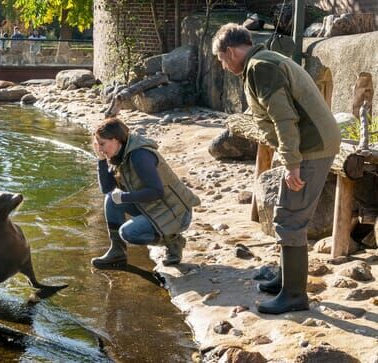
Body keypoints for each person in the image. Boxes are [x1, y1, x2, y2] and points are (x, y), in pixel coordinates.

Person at [212, 23, 341, 314]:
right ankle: (285, 279)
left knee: (290, 218)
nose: (222, 65)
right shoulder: (265, 61)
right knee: (285, 212)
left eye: (221, 59)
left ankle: (294, 296)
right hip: (312, 142)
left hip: (310, 147)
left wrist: (292, 165)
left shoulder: (261, 68)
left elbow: (284, 120)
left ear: (231, 51)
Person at [91, 118, 200, 268]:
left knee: (129, 233)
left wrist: (124, 197)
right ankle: (117, 252)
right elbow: (107, 189)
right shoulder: (119, 153)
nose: (100, 148)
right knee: (111, 199)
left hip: (175, 212)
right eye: (98, 145)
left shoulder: (139, 156)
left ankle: (173, 241)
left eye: (102, 144)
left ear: (115, 139)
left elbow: (157, 192)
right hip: (152, 206)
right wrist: (101, 159)